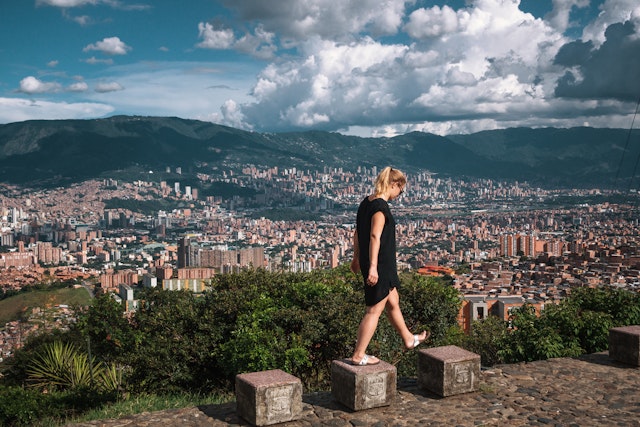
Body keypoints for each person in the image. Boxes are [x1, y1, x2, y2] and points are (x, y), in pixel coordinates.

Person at [349, 166, 428, 366]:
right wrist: (373, 267)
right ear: (395, 184)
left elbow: (358, 233)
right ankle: (359, 354)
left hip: (375, 262)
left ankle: (408, 339)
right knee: (374, 309)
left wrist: (357, 258)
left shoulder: (366, 203)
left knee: (393, 300)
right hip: (380, 264)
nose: (400, 195)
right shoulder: (380, 208)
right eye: (401, 190)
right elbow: (375, 236)